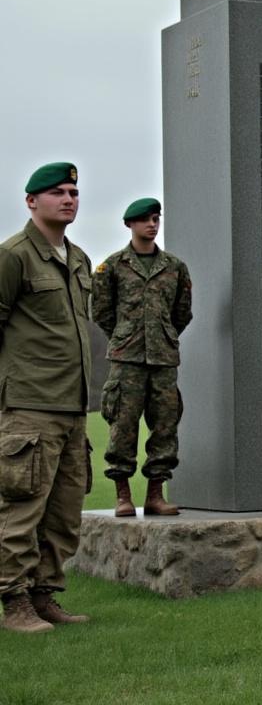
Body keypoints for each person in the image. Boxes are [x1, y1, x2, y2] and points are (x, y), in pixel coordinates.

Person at [0, 162, 94, 632]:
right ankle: (13, 602)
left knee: (63, 513)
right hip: (30, 407)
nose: (69, 199)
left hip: (73, 405)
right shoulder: (13, 256)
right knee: (21, 510)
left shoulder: (78, 259)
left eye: (74, 192)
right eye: (58, 192)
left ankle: (44, 595)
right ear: (32, 201)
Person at [92, 197, 193, 517]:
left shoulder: (175, 267)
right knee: (122, 425)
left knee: (165, 426)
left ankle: (155, 495)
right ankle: (122, 495)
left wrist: (161, 336)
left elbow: (182, 313)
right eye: (146, 219)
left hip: (163, 360)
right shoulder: (111, 267)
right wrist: (126, 337)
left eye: (156, 218)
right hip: (127, 360)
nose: (152, 224)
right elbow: (102, 312)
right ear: (129, 224)